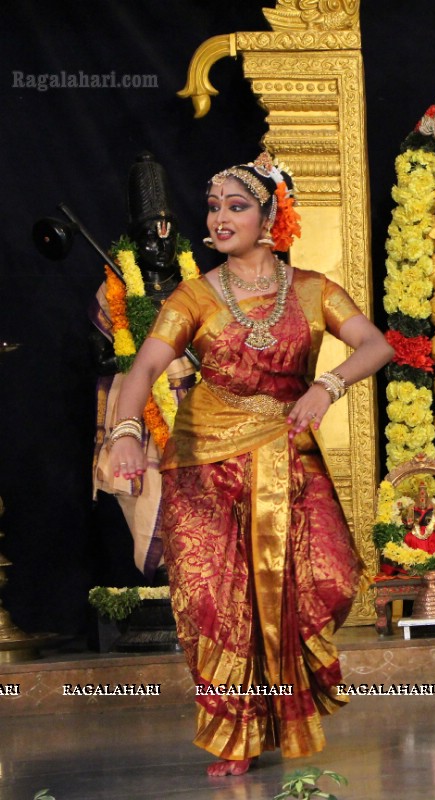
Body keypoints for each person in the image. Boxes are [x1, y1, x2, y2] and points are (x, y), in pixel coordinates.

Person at [106, 152, 393, 776]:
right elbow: (146, 368)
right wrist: (127, 431)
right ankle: (236, 733)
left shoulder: (315, 289)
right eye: (213, 207)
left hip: (288, 456)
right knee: (217, 601)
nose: (219, 218)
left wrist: (329, 387)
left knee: (332, 579)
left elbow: (376, 345)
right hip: (204, 463)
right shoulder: (195, 295)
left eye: (236, 206)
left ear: (270, 215)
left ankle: (281, 709)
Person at [90, 152, 198, 580]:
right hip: (137, 406)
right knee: (146, 492)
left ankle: (199, 579)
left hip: (193, 404)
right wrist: (132, 351)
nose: (160, 247)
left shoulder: (195, 288)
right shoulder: (114, 290)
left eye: (167, 240)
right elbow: (99, 355)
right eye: (151, 240)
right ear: (134, 243)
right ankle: (165, 579)